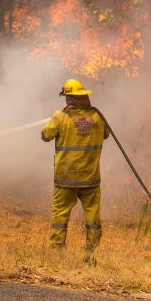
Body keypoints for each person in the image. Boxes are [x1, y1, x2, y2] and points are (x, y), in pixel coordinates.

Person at [41, 78, 109, 251]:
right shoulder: (97, 116)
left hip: (66, 177)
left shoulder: (60, 116)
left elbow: (45, 136)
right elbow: (106, 134)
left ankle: (57, 249)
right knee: (92, 213)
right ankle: (92, 249)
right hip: (90, 177)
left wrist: (53, 122)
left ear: (69, 98)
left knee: (60, 212)